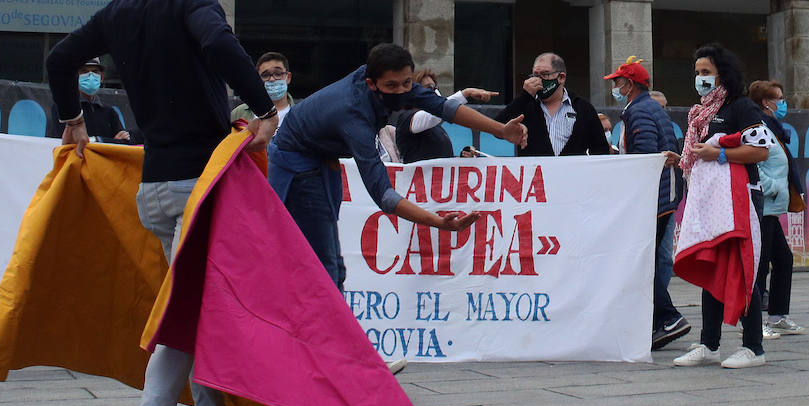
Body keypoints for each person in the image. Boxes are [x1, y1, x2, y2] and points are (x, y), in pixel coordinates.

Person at [45, 0, 280, 406]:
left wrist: (72, 118)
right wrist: (267, 107)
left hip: (153, 188)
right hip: (196, 186)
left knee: (193, 315)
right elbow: (223, 49)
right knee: (182, 323)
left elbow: (59, 57)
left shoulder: (122, 10)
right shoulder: (194, 3)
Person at [267, 44, 526, 289]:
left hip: (321, 157)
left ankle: (328, 328)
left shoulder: (391, 82)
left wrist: (501, 131)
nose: (402, 91)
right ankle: (317, 331)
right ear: (371, 84)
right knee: (324, 269)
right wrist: (436, 222)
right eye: (392, 85)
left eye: (406, 83)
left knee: (333, 268)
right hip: (297, 166)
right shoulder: (353, 115)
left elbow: (445, 108)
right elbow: (382, 193)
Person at [672, 44, 771, 368]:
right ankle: (709, 343)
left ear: (721, 74)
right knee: (711, 262)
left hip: (740, 197)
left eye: (706, 72)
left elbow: (760, 152)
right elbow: (699, 153)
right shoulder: (701, 112)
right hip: (710, 200)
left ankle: (753, 346)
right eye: (697, 73)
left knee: (743, 267)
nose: (700, 78)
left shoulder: (741, 107)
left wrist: (721, 154)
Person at [605, 58, 688, 351]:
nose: (614, 86)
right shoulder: (649, 108)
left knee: (641, 263)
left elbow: (644, 154)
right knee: (648, 260)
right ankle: (657, 320)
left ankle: (668, 317)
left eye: (617, 82)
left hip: (654, 196)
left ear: (629, 85)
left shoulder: (638, 111)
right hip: (663, 193)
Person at [750, 80, 802, 338]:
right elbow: (752, 161)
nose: (783, 103)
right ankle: (754, 323)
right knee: (760, 264)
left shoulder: (773, 128)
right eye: (779, 99)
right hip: (764, 204)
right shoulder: (759, 127)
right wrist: (771, 187)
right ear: (765, 102)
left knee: (783, 259)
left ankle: (778, 315)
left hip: (772, 207)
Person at [495, 53, 613, 156]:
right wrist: (525, 96)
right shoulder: (525, 105)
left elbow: (599, 149)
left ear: (561, 77)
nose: (538, 80)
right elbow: (497, 129)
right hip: (536, 178)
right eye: (535, 75)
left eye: (545, 74)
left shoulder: (583, 108)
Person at [46, 57, 133, 144]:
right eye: (84, 71)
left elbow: (124, 141)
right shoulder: (63, 108)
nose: (90, 76)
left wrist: (96, 140)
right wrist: (110, 141)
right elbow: (63, 142)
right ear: (74, 76)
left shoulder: (110, 112)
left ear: (101, 77)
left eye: (95, 72)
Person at [233, 51, 298, 127]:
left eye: (278, 74)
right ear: (258, 79)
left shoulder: (301, 113)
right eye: (265, 75)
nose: (272, 79)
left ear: (288, 77)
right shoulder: (239, 113)